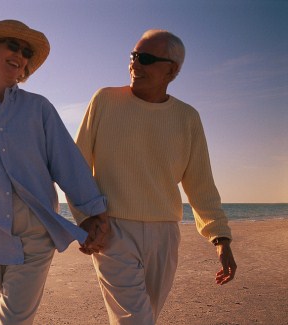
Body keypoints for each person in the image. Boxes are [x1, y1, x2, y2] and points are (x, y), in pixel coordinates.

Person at [0, 19, 108, 324]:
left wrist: (94, 214)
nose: (21, 55)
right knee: (6, 318)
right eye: (13, 46)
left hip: (35, 232)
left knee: (11, 321)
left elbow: (67, 163)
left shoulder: (39, 108)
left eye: (26, 52)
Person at [71, 29, 238, 324]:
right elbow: (75, 165)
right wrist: (85, 218)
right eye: (133, 56)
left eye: (145, 58)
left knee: (147, 316)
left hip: (166, 234)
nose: (135, 64)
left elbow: (200, 184)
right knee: (135, 320)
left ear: (172, 70)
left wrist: (220, 238)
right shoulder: (104, 100)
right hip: (113, 230)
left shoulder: (187, 117)